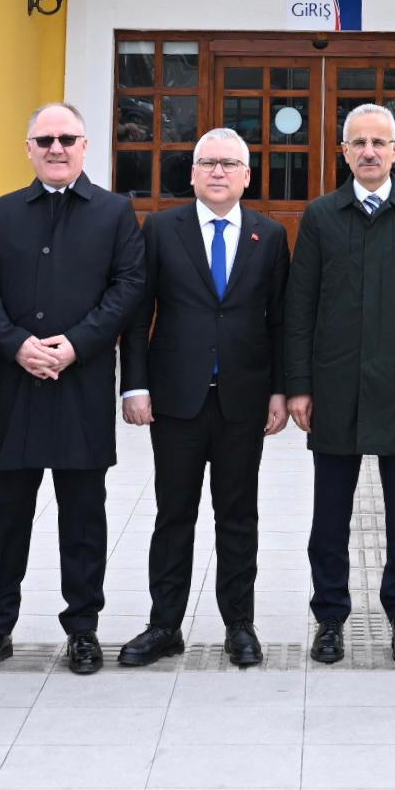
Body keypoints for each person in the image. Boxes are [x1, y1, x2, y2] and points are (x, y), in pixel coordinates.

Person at [0, 102, 146, 677]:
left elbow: (128, 287)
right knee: (7, 514)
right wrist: (16, 344)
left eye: (67, 138)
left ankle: (83, 630)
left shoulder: (115, 212)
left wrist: (76, 344)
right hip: (17, 387)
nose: (56, 148)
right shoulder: (2, 213)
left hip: (81, 386)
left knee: (84, 517)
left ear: (85, 145)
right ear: (29, 149)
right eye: (45, 140)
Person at [281, 101, 395, 668]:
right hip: (335, 386)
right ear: (343, 151)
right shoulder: (321, 216)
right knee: (329, 514)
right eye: (358, 142)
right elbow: (299, 307)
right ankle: (330, 617)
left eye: (379, 142)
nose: (369, 152)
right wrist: (299, 384)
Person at [119, 127, 289, 669]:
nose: (218, 172)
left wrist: (280, 389)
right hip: (176, 399)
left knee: (237, 516)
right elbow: (138, 313)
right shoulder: (161, 229)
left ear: (247, 176)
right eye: (208, 163)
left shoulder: (270, 234)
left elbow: (280, 320)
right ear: (192, 174)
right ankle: (164, 625)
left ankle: (239, 625)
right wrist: (135, 384)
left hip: (243, 399)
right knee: (174, 514)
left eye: (229, 163)